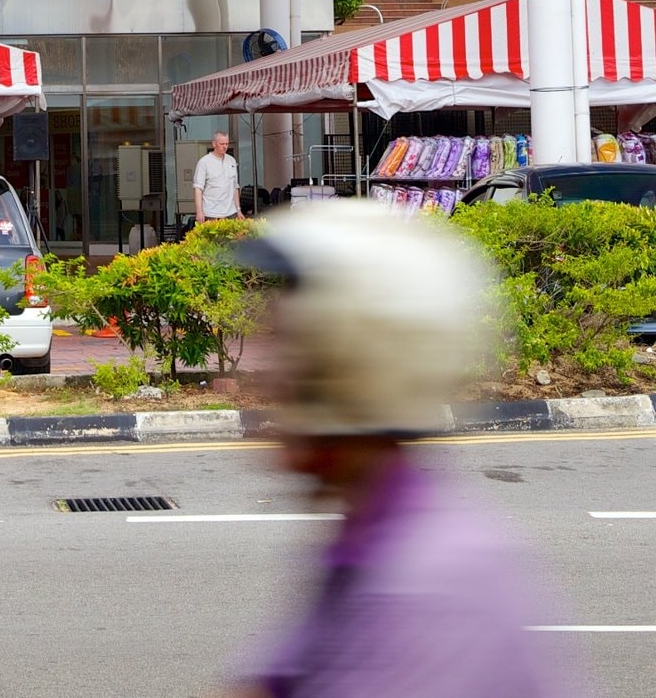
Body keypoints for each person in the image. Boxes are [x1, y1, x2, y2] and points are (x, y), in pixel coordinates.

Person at [223, 201, 591, 698]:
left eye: (288, 351)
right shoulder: (364, 539)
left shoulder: (434, 586)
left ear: (344, 367)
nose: (267, 379)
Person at [193, 130, 246, 223]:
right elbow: (198, 189)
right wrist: (199, 211)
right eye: (222, 143)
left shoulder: (232, 161)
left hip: (231, 212)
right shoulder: (204, 162)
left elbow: (235, 187)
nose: (225, 146)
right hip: (211, 213)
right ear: (214, 144)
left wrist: (238, 210)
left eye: (227, 143)